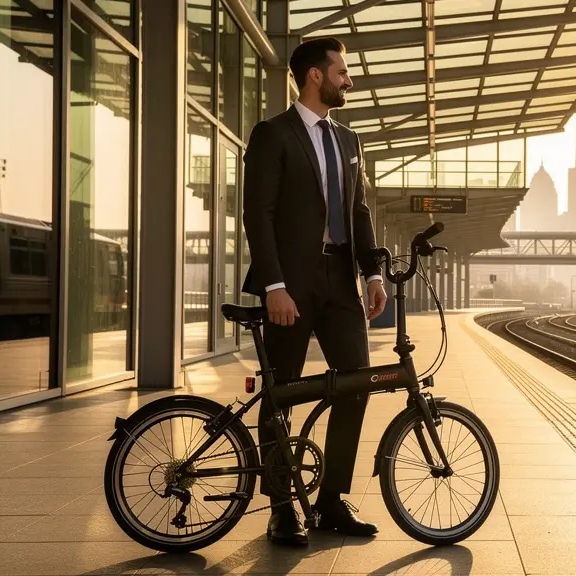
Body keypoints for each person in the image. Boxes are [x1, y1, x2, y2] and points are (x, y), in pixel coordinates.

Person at [241, 37, 387, 546]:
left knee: (357, 383)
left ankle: (329, 502)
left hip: (340, 283)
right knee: (279, 391)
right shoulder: (273, 134)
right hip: (292, 285)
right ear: (314, 77)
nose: (349, 79)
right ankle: (282, 507)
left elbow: (359, 213)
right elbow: (256, 213)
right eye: (342, 71)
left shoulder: (349, 141)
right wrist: (274, 285)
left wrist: (372, 273)